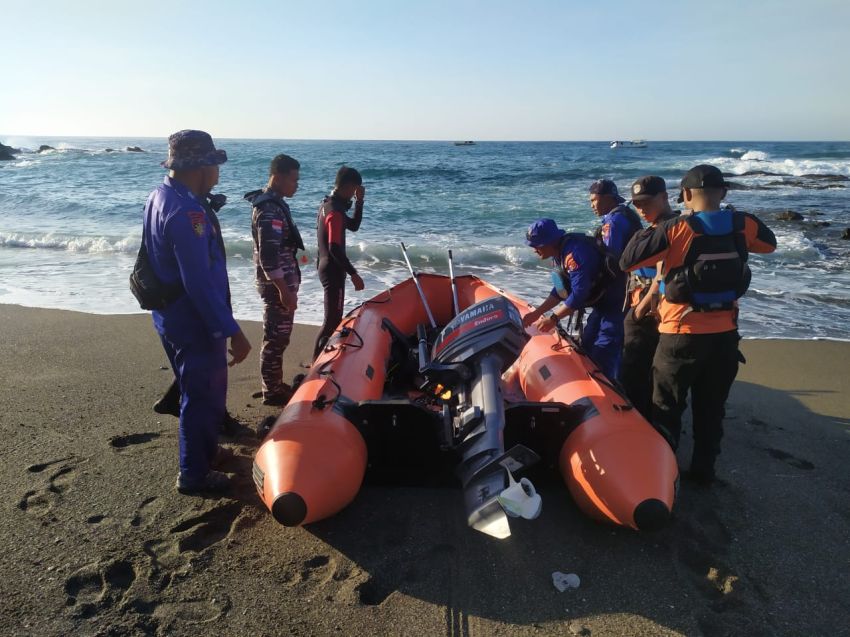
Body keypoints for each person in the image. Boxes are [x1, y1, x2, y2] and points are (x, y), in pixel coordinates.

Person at [620, 164, 777, 485]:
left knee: (666, 407)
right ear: (723, 192)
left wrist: (658, 231)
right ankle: (704, 473)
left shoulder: (678, 229)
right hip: (724, 338)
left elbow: (628, 261)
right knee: (711, 409)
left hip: (680, 336)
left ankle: (662, 476)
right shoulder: (742, 224)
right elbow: (769, 244)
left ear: (686, 195)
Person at [143, 130, 251, 494]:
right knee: (203, 398)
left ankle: (207, 453)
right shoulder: (186, 212)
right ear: (200, 167)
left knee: (196, 391)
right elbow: (198, 282)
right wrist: (230, 329)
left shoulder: (161, 195)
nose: (218, 174)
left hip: (170, 315)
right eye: (215, 166)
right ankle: (194, 474)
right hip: (194, 321)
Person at [521, 218, 624, 380]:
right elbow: (560, 290)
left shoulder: (574, 254)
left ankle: (611, 392)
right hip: (600, 304)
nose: (534, 250)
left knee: (603, 351)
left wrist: (553, 319)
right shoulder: (559, 253)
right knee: (587, 344)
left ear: (549, 242)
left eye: (536, 245)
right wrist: (537, 314)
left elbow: (578, 296)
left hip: (615, 301)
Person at [244, 154, 305, 406]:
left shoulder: (274, 203)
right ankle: (272, 390)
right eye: (293, 179)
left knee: (279, 337)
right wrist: (284, 290)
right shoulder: (269, 208)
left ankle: (274, 384)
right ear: (278, 178)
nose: (296, 185)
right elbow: (269, 257)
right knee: (275, 339)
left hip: (281, 283)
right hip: (276, 286)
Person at [620, 176, 678, 420]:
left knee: (638, 374)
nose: (641, 208)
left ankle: (640, 425)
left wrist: (638, 312)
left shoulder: (672, 229)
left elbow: (661, 278)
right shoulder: (654, 228)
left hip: (651, 315)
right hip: (643, 308)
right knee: (641, 374)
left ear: (664, 197)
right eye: (636, 204)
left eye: (646, 202)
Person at [313, 166, 365, 360]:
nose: (354, 194)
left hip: (328, 267)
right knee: (332, 321)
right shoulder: (334, 211)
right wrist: (353, 273)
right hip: (333, 269)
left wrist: (360, 202)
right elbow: (335, 248)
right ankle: (316, 362)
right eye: (355, 190)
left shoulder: (330, 204)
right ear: (349, 186)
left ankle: (319, 361)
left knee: (333, 319)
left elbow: (353, 226)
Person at [588, 179, 643, 259]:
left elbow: (611, 258)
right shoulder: (625, 213)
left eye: (593, 200)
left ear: (607, 198)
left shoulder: (613, 222)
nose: (591, 206)